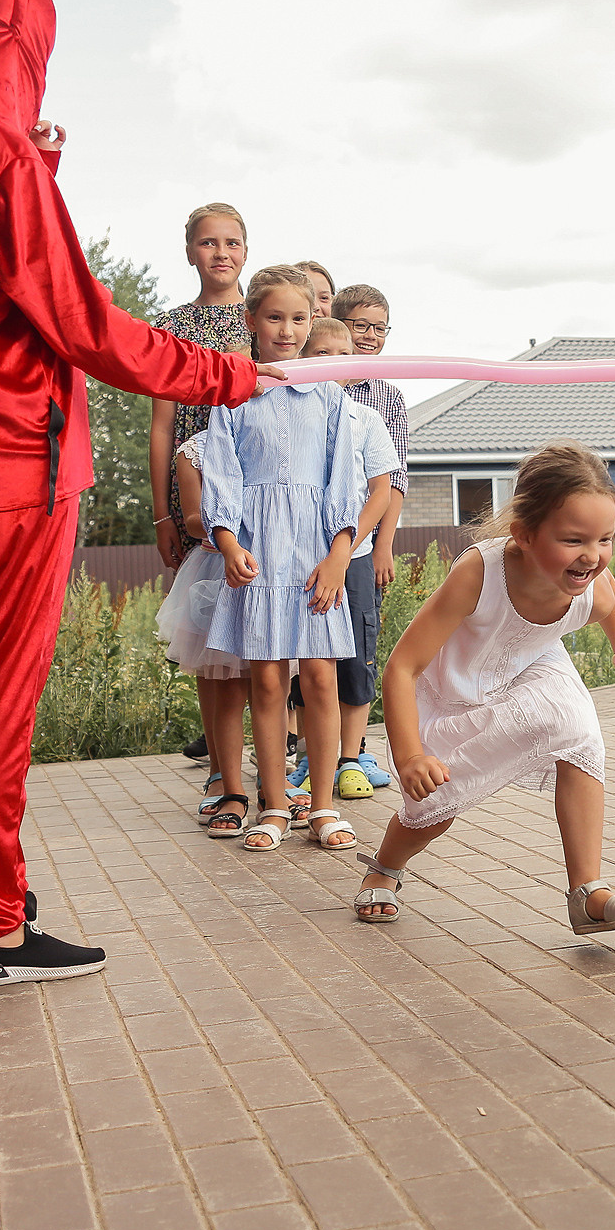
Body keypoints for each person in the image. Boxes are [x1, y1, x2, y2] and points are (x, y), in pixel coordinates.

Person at [0, 0, 277, 989]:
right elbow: (81, 326)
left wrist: (34, 169)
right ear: (13, 30)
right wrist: (230, 376)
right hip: (9, 475)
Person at [355, 443, 615, 935]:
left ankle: (586, 890)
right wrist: (409, 755)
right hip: (453, 687)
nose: (592, 556)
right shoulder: (480, 572)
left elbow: (611, 596)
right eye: (574, 540)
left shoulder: (592, 578)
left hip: (532, 667)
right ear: (524, 533)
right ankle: (385, 866)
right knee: (437, 804)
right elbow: (401, 667)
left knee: (579, 732)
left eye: (606, 539)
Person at [202, 268, 365, 853]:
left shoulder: (332, 401)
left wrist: (338, 558)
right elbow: (220, 476)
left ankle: (321, 805)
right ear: (250, 321)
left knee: (320, 678)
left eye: (299, 318)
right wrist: (228, 544)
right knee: (267, 682)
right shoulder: (234, 396)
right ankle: (274, 805)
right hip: (259, 556)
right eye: (275, 317)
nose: (288, 329)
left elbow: (344, 486)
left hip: (316, 555)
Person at [150, 202, 253, 766]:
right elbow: (163, 423)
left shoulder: (263, 318)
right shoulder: (172, 326)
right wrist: (164, 514)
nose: (221, 253)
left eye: (232, 242)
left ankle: (271, 749)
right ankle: (221, 762)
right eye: (209, 243)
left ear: (246, 250)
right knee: (208, 624)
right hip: (194, 488)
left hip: (255, 484)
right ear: (190, 251)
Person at [327, 284, 408, 792]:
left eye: (380, 327)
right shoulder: (310, 387)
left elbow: (393, 478)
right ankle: (307, 754)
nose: (370, 336)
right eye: (360, 325)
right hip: (313, 544)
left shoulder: (385, 398)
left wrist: (383, 545)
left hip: (360, 545)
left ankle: (350, 756)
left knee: (360, 644)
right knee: (309, 656)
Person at [154, 428, 252, 835]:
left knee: (274, 679)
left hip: (277, 562)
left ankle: (274, 783)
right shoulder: (193, 450)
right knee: (220, 675)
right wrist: (229, 525)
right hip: (216, 566)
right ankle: (225, 779)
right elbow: (192, 518)